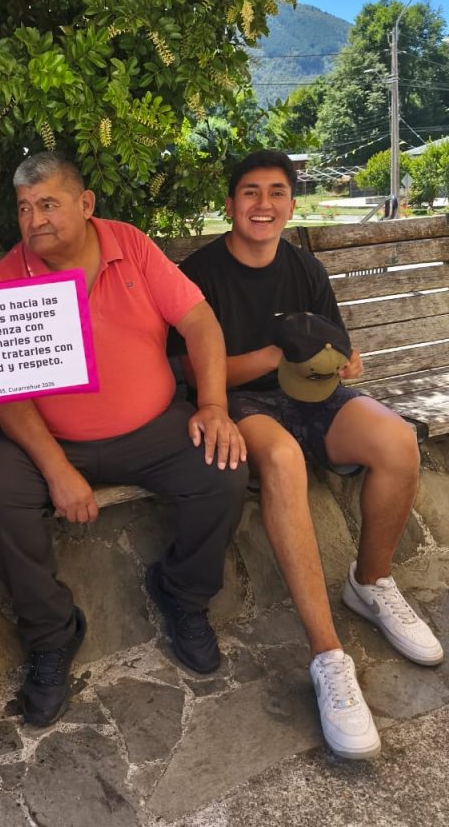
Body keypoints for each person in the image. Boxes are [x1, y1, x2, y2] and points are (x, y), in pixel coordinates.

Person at [173, 149, 443, 760]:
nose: (263, 204)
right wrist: (274, 355)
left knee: (397, 440)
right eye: (250, 192)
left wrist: (347, 361)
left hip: (313, 394)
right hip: (240, 403)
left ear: (291, 204)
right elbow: (193, 372)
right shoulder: (201, 273)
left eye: (276, 192)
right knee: (285, 458)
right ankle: (327, 655)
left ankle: (369, 583)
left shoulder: (305, 267)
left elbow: (334, 343)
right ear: (230, 204)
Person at [0, 152, 248, 728]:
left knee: (221, 468)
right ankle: (51, 634)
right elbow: (6, 394)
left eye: (48, 204)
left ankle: (183, 596)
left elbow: (198, 321)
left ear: (86, 204)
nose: (35, 220)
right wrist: (57, 469)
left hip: (152, 428)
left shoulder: (131, 246)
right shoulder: (6, 279)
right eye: (24, 208)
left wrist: (214, 407)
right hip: (49, 440)